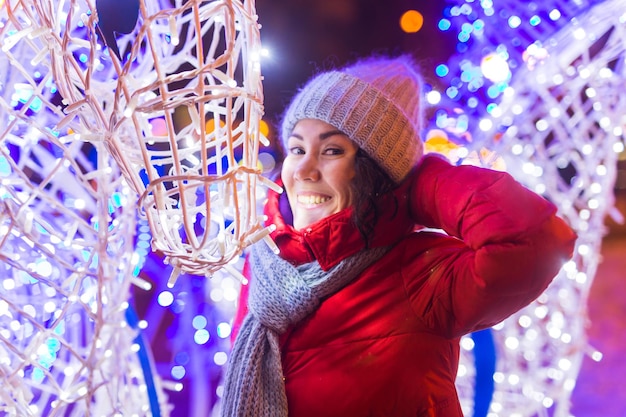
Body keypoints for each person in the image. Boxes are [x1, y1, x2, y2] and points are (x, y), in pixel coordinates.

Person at [220, 55, 577, 417]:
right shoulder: (265, 256)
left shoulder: (421, 273)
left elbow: (536, 239)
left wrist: (421, 185)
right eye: (297, 149)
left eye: (331, 151)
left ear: (375, 170)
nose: (304, 170)